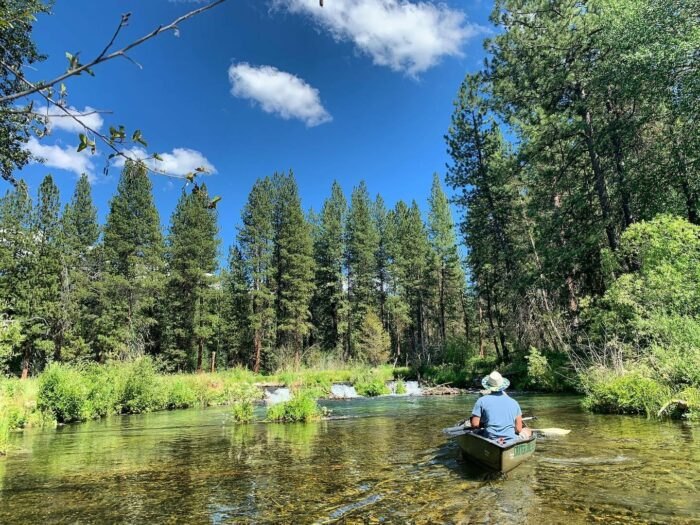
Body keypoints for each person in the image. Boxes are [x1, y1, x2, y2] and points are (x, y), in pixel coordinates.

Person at [470, 371, 532, 444]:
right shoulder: (514, 402)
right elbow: (518, 429)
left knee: (475, 431)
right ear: (502, 386)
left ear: (488, 386)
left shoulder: (481, 401)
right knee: (528, 430)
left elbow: (475, 425)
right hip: (511, 439)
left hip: (490, 438)